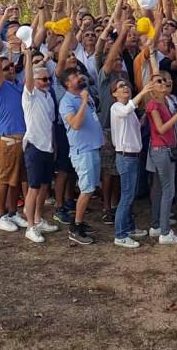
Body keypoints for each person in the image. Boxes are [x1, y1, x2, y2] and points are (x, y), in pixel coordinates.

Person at [108, 77, 161, 248]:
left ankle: (128, 228)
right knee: (127, 196)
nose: (125, 88)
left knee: (129, 195)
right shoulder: (116, 107)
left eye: (126, 85)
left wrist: (144, 117)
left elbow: (133, 125)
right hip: (125, 157)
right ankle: (120, 234)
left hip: (132, 156)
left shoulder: (129, 111)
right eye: (120, 86)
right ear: (114, 93)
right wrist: (143, 92)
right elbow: (126, 111)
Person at [0, 40, 28, 233]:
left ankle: (12, 212)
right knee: (4, 178)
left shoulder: (18, 85)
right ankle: (0, 215)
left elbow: (27, 76)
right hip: (7, 139)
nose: (9, 69)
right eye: (5, 68)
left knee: (16, 179)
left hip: (21, 139)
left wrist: (27, 55)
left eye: (11, 66)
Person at [59, 66, 103, 245]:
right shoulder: (67, 102)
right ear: (68, 84)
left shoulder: (85, 95)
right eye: (76, 76)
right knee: (86, 190)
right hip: (82, 151)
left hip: (93, 148)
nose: (80, 77)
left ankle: (80, 221)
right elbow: (75, 124)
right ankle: (75, 227)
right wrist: (84, 102)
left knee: (90, 188)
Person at [21, 56, 61, 244]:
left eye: (48, 79)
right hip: (34, 146)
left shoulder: (48, 96)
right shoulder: (30, 95)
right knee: (33, 188)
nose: (47, 82)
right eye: (43, 79)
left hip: (47, 146)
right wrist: (28, 56)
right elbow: (28, 80)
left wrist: (53, 146)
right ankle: (30, 226)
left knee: (45, 186)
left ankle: (38, 218)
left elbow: (51, 123)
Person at [146, 71, 177, 244]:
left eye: (164, 80)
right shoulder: (154, 105)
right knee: (167, 190)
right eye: (158, 81)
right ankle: (164, 232)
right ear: (152, 88)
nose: (163, 83)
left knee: (161, 189)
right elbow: (161, 128)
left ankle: (158, 226)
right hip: (161, 150)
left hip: (165, 148)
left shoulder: (164, 102)